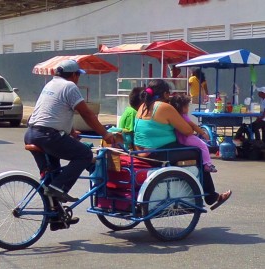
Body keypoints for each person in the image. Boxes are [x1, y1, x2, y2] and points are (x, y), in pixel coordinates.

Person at [24, 60, 115, 227]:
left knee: (51, 174)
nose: (78, 78)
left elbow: (52, 112)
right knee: (85, 155)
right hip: (48, 136)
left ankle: (56, 217)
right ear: (74, 75)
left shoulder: (51, 84)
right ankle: (59, 187)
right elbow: (87, 114)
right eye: (78, 75)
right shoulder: (70, 86)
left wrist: (71, 132)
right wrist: (106, 134)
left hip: (32, 133)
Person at [134, 79, 231, 210]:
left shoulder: (142, 106)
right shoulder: (164, 107)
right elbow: (187, 131)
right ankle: (211, 196)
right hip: (158, 153)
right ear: (166, 94)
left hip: (141, 153)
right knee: (197, 152)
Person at [170, 94, 217, 173]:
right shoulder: (183, 116)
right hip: (187, 138)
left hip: (180, 139)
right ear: (181, 108)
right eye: (186, 107)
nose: (188, 109)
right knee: (203, 146)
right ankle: (207, 164)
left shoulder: (174, 116)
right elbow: (194, 126)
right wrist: (203, 133)